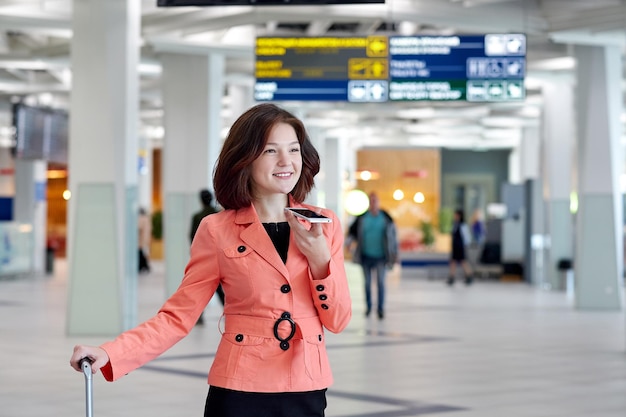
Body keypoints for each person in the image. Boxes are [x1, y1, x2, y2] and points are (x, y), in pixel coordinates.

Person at [69, 103, 352, 417]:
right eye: (271, 151)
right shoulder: (217, 229)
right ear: (245, 158)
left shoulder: (323, 224)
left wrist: (320, 260)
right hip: (240, 387)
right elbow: (177, 316)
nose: (286, 161)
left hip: (306, 385)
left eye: (294, 150)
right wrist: (111, 352)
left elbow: (337, 320)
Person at [347, 192, 398, 319]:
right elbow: (352, 233)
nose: (373, 203)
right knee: (367, 283)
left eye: (375, 200)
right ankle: (369, 307)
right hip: (366, 256)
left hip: (381, 256)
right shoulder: (362, 218)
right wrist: (348, 244)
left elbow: (393, 238)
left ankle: (380, 309)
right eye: (371, 201)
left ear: (379, 202)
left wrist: (395, 254)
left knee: (381, 282)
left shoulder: (386, 217)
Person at [190, 188, 223, 325]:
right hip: (220, 255)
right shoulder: (219, 215)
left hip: (204, 256)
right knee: (222, 288)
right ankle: (231, 311)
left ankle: (199, 316)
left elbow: (192, 237)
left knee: (201, 288)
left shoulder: (198, 216)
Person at [447, 208, 473, 286]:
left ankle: (469, 275)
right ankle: (451, 277)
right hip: (455, 246)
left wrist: (465, 245)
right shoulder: (455, 224)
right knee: (453, 261)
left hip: (460, 246)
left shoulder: (463, 225)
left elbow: (466, 237)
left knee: (463, 261)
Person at [138, 207, 151, 273]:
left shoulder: (141, 218)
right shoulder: (147, 218)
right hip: (144, 239)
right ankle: (145, 266)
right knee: (142, 253)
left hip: (141, 239)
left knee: (140, 253)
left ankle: (144, 266)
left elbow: (139, 227)